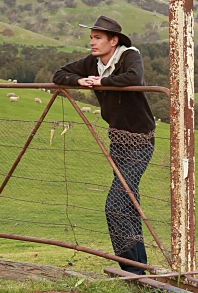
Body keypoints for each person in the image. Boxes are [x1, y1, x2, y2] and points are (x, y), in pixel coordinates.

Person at [53, 16, 155, 275]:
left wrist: (101, 82)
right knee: (129, 203)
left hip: (140, 142)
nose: (92, 42)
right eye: (91, 37)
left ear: (114, 40)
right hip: (117, 140)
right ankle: (138, 267)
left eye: (98, 38)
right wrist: (79, 81)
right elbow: (59, 73)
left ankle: (132, 271)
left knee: (116, 205)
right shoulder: (93, 63)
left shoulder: (129, 56)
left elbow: (134, 77)